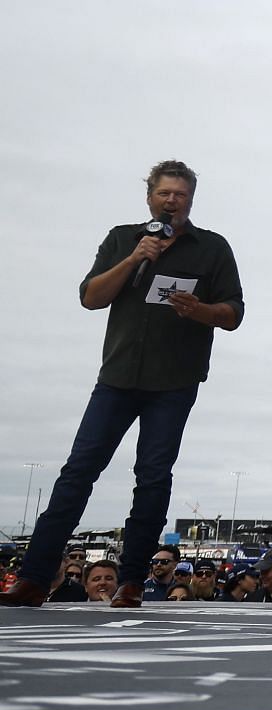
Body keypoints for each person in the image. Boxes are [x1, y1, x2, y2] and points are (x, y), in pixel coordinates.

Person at [0, 161, 245, 610]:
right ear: (150, 196)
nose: (172, 201)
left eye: (181, 195)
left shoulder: (213, 248)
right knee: (77, 473)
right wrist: (135, 258)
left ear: (192, 199)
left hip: (174, 381)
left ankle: (132, 581)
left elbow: (233, 313)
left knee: (152, 479)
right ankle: (33, 579)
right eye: (164, 193)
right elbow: (91, 297)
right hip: (117, 378)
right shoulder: (122, 238)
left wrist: (200, 311)